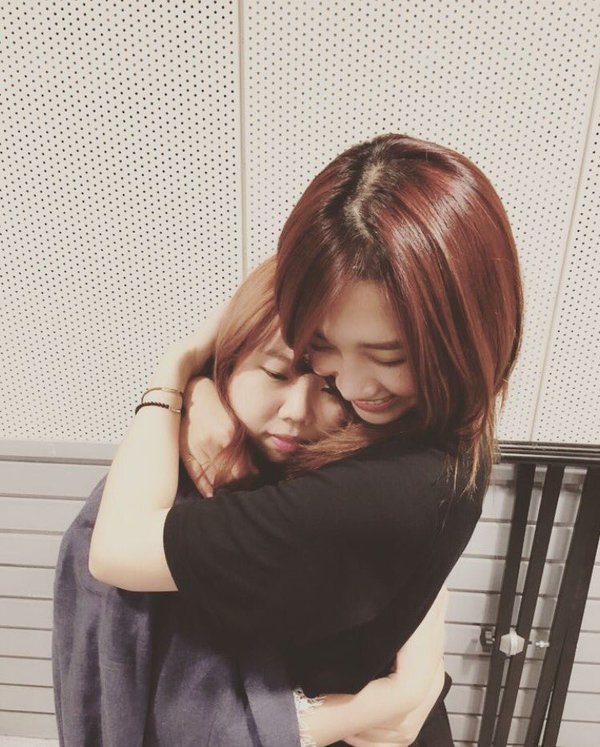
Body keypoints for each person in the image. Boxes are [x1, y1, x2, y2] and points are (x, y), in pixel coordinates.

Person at [89, 133, 524, 746]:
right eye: (320, 347)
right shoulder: (445, 423)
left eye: (388, 356)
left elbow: (114, 551)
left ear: (464, 335)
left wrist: (174, 369)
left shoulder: (375, 493)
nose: (352, 385)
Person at [54, 256, 448, 747]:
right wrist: (388, 700)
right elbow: (168, 718)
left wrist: (423, 661)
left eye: (329, 386)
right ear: (227, 359)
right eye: (276, 373)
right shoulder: (149, 507)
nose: (297, 411)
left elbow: (406, 541)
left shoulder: (355, 469)